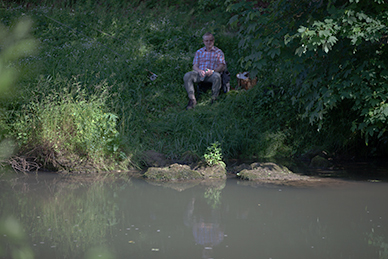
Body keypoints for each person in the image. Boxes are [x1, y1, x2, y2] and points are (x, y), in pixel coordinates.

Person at [183, 32, 226, 110]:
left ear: (213, 41)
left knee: (217, 76)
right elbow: (194, 65)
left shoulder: (219, 52)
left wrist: (213, 71)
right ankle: (192, 99)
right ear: (203, 41)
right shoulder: (199, 52)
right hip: (200, 73)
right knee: (187, 75)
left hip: (212, 74)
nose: (209, 42)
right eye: (206, 41)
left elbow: (222, 66)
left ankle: (214, 98)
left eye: (211, 40)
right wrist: (199, 71)